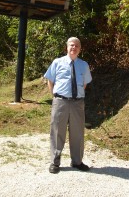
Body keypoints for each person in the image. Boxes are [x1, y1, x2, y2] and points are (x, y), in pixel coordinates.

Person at [44, 37, 92, 174]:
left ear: (80, 49)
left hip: (77, 103)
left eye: (77, 46)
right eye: (71, 45)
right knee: (57, 131)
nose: (74, 47)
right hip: (61, 102)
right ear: (67, 47)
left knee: (77, 133)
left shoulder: (84, 65)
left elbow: (84, 83)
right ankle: (55, 161)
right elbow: (50, 80)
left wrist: (76, 95)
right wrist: (55, 96)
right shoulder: (57, 62)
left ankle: (77, 161)